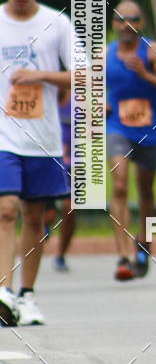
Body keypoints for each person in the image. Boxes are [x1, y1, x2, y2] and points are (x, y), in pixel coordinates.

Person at [0, 0, 71, 326]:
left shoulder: (56, 23)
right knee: (5, 207)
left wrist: (41, 75)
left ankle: (27, 295)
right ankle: (3, 291)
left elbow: (85, 75)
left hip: (42, 137)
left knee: (35, 215)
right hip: (2, 137)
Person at [106, 0, 156, 281]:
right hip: (117, 127)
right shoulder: (105, 54)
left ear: (141, 23)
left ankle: (143, 244)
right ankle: (123, 256)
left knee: (145, 191)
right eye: (121, 20)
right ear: (113, 24)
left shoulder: (152, 51)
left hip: (149, 128)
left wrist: (145, 74)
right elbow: (89, 88)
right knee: (121, 182)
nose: (127, 25)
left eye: (133, 19)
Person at [53, 89, 76, 271]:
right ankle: (43, 225)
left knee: (69, 209)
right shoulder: (45, 91)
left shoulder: (83, 95)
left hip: (73, 162)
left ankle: (60, 254)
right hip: (46, 158)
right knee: (46, 213)